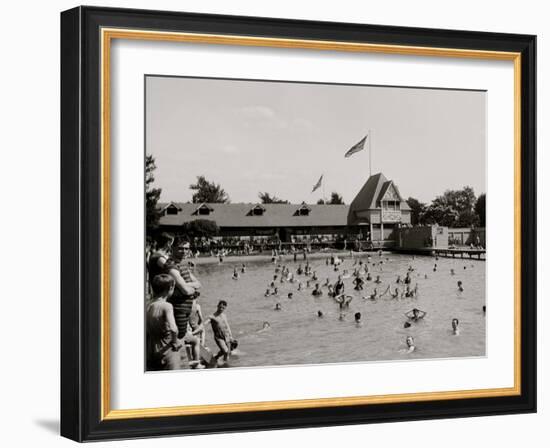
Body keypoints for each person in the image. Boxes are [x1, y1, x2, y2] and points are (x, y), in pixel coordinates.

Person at [146, 274, 186, 371]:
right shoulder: (167, 306)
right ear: (170, 288)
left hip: (151, 350)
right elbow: (173, 328)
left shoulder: (148, 305)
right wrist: (175, 342)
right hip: (167, 350)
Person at [207, 300, 235, 366]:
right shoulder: (212, 316)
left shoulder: (224, 315)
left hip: (226, 336)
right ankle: (224, 364)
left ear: (225, 308)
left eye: (223, 308)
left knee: (227, 352)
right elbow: (206, 322)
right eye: (220, 307)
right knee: (225, 351)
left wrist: (231, 336)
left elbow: (227, 326)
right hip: (218, 337)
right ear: (217, 306)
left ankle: (222, 362)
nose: (221, 309)